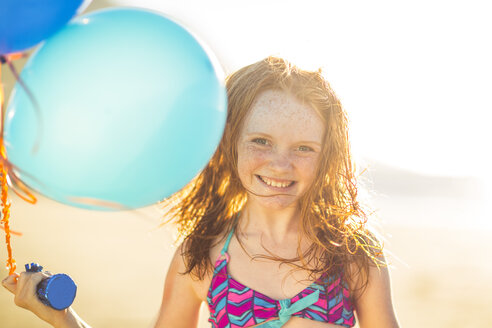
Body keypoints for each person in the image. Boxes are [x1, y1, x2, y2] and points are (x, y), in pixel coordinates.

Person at [2, 56, 399, 328]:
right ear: (227, 142)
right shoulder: (202, 256)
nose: (280, 164)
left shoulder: (351, 253)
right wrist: (63, 318)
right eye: (261, 141)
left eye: (303, 148)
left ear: (326, 155)